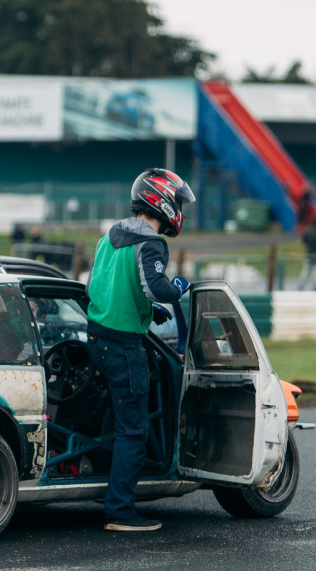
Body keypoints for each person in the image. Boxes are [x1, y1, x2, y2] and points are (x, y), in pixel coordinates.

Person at [86, 168, 193, 533]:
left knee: (114, 419)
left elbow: (99, 286)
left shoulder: (109, 236)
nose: (179, 208)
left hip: (96, 340)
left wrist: (146, 309)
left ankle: (100, 482)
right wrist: (178, 287)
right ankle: (120, 511)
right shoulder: (151, 242)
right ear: (161, 201)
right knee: (134, 430)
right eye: (177, 202)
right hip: (123, 346)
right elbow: (159, 286)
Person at [299, 214, 316, 290]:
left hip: (310, 254)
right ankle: (315, 288)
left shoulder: (309, 230)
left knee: (305, 273)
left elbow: (304, 240)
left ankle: (301, 287)